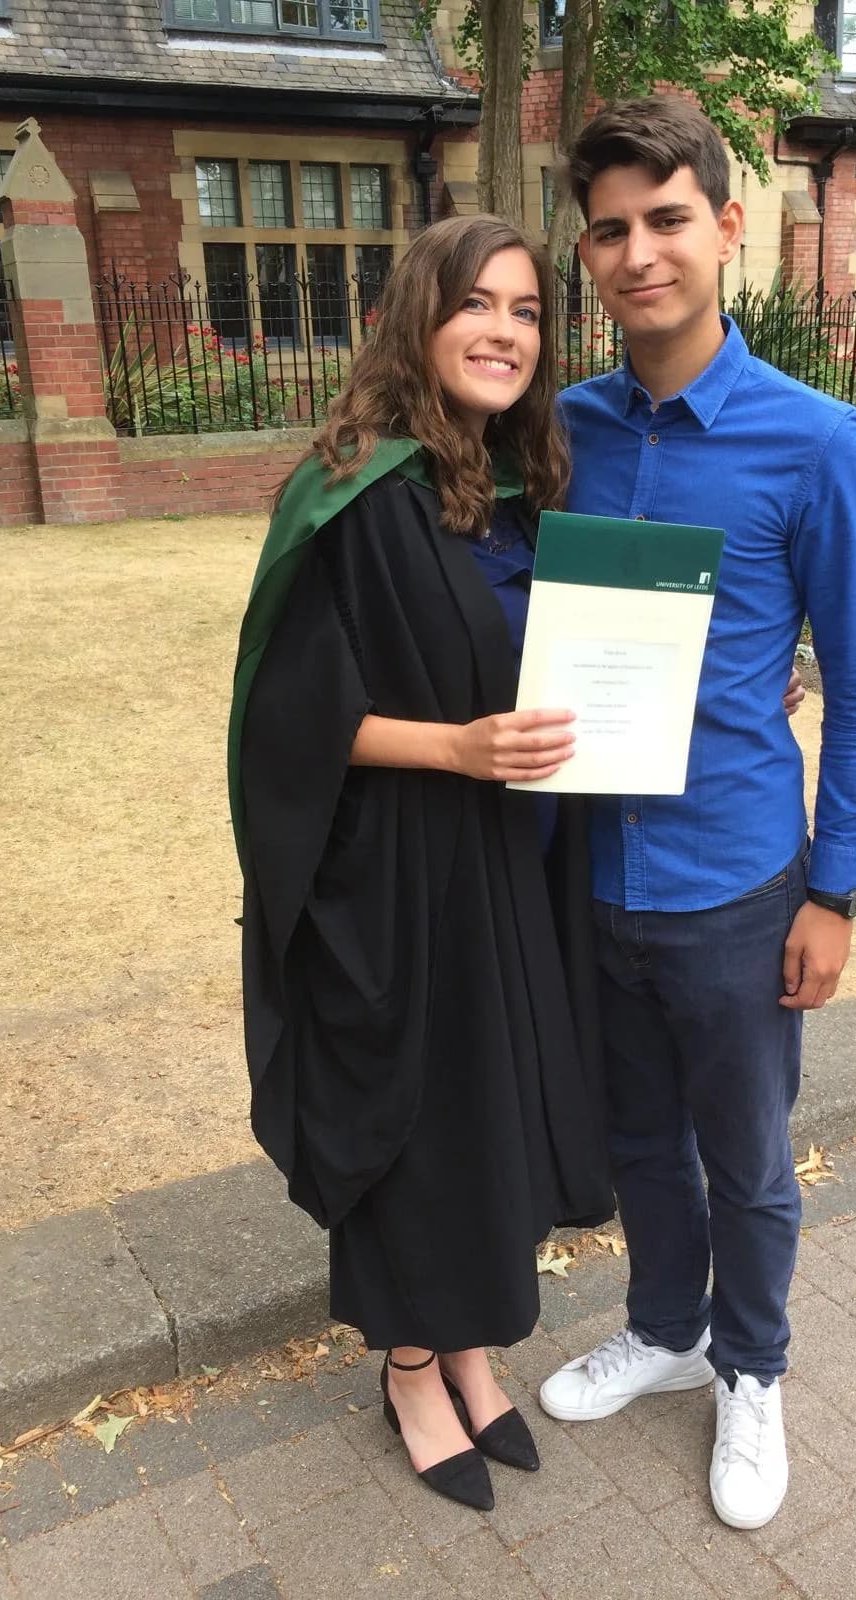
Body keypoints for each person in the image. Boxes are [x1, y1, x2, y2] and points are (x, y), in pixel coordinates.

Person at [538, 98, 856, 1532]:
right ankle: (669, 1331)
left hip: (739, 882)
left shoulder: (813, 444)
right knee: (638, 1143)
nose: (642, 252)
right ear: (590, 254)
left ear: (727, 229)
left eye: (669, 218)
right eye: (614, 230)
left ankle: (752, 1370)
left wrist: (837, 887)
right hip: (593, 871)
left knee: (746, 1159)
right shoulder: (559, 426)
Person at [227, 215, 619, 1512]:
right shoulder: (352, 487)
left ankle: (466, 1343)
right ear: (420, 317)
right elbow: (294, 720)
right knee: (414, 1120)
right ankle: (406, 1365)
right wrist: (452, 748)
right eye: (477, 304)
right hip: (394, 870)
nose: (505, 329)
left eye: (526, 309)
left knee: (490, 1111)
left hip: (509, 860)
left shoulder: (523, 480)